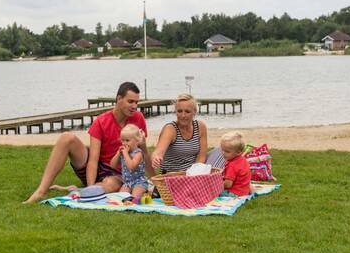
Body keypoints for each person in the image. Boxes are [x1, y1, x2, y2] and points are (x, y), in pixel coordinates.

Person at [24, 82, 155, 204]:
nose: (134, 106)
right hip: (96, 167)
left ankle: (79, 191)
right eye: (130, 101)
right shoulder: (101, 121)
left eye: (136, 102)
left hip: (119, 174)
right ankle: (41, 191)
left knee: (110, 184)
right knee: (66, 137)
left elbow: (143, 153)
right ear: (119, 99)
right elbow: (93, 159)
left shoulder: (138, 118)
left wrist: (156, 181)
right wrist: (91, 185)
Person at [151, 93, 225, 173]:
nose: (183, 115)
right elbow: (158, 151)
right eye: (179, 111)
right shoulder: (170, 129)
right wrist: (156, 158)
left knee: (222, 150)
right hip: (173, 174)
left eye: (187, 111)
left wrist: (194, 173)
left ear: (194, 112)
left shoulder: (200, 126)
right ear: (175, 112)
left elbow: (201, 157)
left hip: (193, 171)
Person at [110, 124, 149, 204]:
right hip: (127, 183)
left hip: (139, 182)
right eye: (122, 140)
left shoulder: (138, 153)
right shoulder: (124, 152)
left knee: (135, 197)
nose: (124, 143)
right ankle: (128, 200)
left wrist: (125, 154)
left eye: (127, 140)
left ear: (137, 141)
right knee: (120, 197)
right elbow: (112, 165)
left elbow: (131, 166)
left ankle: (145, 193)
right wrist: (118, 154)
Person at [220, 131, 251, 197]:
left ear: (238, 152)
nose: (223, 153)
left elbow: (228, 184)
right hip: (244, 191)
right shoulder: (243, 159)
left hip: (234, 193)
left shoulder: (232, 165)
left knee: (212, 192)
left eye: (227, 151)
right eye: (222, 150)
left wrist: (217, 184)